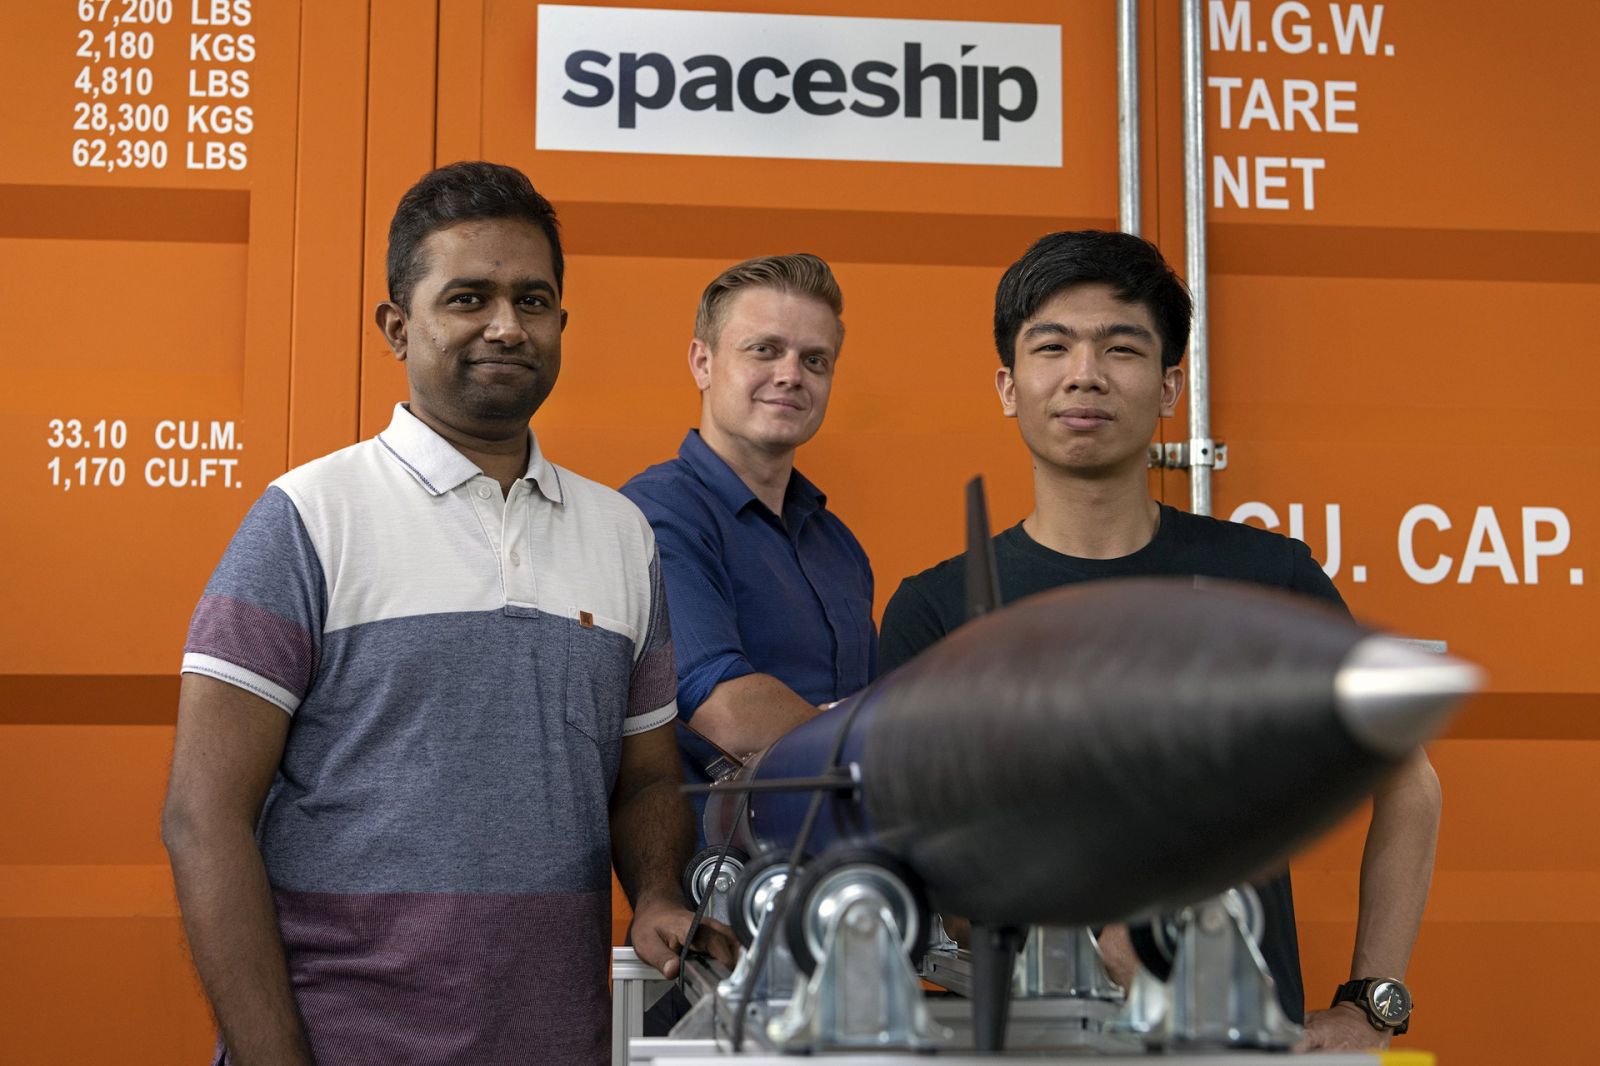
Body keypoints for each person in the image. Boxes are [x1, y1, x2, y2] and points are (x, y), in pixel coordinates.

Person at [161, 161, 734, 1066]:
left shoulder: (622, 534)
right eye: (468, 298)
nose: (506, 326)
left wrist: (658, 893)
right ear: (397, 327)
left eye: (532, 301)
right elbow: (203, 817)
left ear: (560, 325)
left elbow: (647, 779)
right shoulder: (310, 518)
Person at [878, 230, 1441, 1051]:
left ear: (1171, 384)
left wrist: (1371, 1003)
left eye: (1121, 348)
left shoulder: (1267, 578)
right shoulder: (935, 610)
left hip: (1244, 1042)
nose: (1085, 374)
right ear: (1008, 385)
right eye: (1052, 347)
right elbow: (916, 858)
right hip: (1029, 1042)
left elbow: (1406, 779)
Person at [621, 254, 876, 844]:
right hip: (725, 881)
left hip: (851, 871)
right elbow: (727, 712)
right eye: (764, 350)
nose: (792, 375)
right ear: (703, 362)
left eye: (815, 360)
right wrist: (877, 762)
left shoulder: (839, 545)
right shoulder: (657, 514)